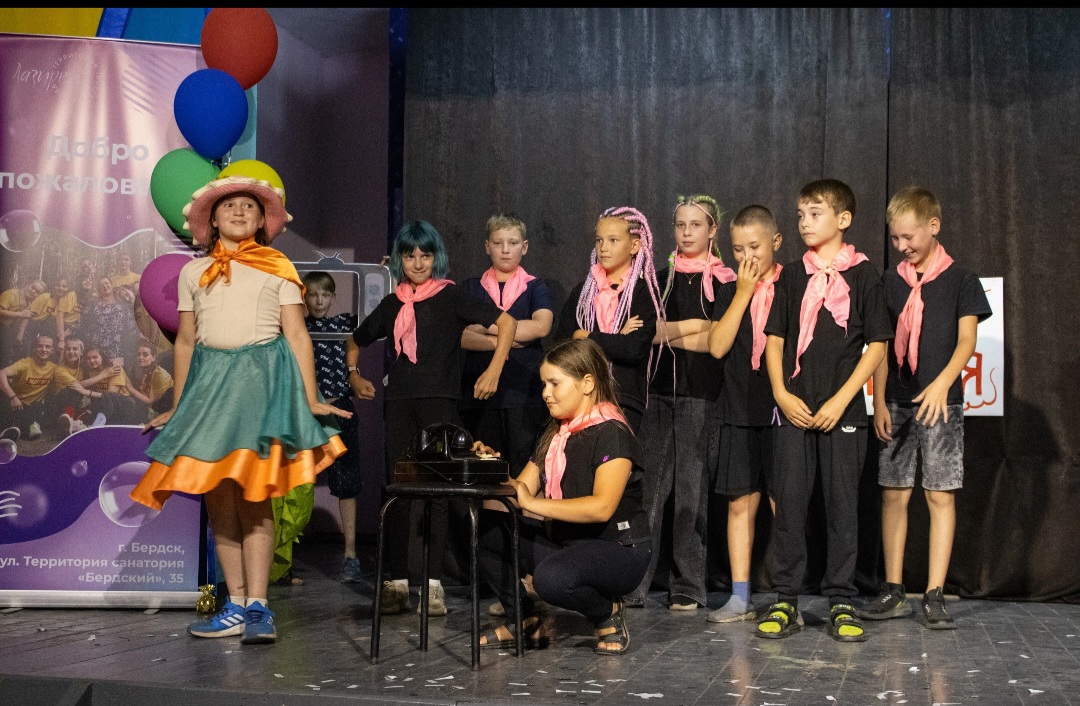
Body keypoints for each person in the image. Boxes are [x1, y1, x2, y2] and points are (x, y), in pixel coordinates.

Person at [130, 175, 350, 646]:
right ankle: (234, 603)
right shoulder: (194, 272)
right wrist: (179, 405)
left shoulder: (277, 266)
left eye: (248, 205)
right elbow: (186, 342)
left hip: (259, 387)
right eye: (228, 205)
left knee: (254, 497)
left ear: (262, 220)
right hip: (211, 389)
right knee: (220, 498)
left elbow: (296, 335)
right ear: (211, 219)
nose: (238, 211)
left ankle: (258, 606)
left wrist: (310, 398)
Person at [353, 219, 517, 617]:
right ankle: (395, 583)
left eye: (425, 255)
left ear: (436, 258)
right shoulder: (392, 303)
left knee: (440, 494)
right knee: (398, 490)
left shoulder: (451, 296)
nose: (418, 262)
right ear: (400, 259)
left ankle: (432, 585)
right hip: (400, 404)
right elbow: (355, 339)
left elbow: (507, 322)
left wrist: (494, 369)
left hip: (440, 404)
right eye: (410, 255)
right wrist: (354, 375)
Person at [758, 178, 892, 642]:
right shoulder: (792, 275)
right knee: (790, 505)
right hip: (795, 409)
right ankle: (785, 599)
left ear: (843, 219)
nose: (805, 222)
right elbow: (775, 339)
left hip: (844, 412)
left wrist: (842, 399)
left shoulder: (864, 275)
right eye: (800, 215)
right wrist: (780, 392)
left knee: (842, 509)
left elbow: (877, 345)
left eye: (815, 214)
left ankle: (841, 599)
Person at [859, 186, 992, 629]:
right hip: (897, 401)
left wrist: (941, 385)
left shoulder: (961, 279)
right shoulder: (890, 281)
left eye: (909, 236)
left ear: (933, 227)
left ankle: (934, 594)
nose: (902, 245)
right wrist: (879, 400)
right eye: (895, 238)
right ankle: (893, 589)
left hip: (941, 403)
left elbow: (967, 341)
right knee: (893, 493)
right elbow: (880, 346)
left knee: (939, 494)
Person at [477, 338, 651, 655]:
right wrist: (488, 467)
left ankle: (607, 612)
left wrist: (532, 503)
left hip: (619, 549)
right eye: (544, 384)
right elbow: (519, 492)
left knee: (551, 579)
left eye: (554, 383)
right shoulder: (556, 435)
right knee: (489, 530)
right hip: (570, 543)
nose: (545, 393)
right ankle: (526, 622)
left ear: (587, 383)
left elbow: (601, 507)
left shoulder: (612, 432)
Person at [625, 194, 734, 611]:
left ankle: (688, 584)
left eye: (696, 225)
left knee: (692, 493)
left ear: (712, 230)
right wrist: (695, 328)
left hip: (701, 396)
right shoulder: (657, 280)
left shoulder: (725, 282)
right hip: (657, 393)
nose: (686, 233)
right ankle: (633, 581)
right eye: (680, 225)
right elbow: (647, 333)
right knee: (649, 491)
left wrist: (675, 330)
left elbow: (718, 341)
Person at [459, 214, 555, 618]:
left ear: (524, 247)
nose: (505, 250)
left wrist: (491, 333)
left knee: (524, 487)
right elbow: (462, 335)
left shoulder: (536, 287)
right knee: (488, 487)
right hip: (480, 400)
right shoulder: (470, 288)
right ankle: (498, 579)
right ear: (487, 246)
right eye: (498, 242)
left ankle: (529, 577)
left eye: (513, 243)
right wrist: (514, 334)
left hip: (524, 398)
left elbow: (542, 327)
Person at [706, 205, 784, 623]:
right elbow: (717, 346)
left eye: (755, 247)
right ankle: (739, 596)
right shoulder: (728, 290)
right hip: (739, 409)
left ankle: (787, 595)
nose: (747, 257)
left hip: (782, 412)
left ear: (776, 242)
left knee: (783, 504)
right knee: (740, 504)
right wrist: (742, 293)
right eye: (738, 249)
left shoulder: (794, 286)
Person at [554, 206, 664, 433]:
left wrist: (586, 336)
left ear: (634, 246)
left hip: (623, 399)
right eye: (599, 240)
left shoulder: (643, 294)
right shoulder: (582, 293)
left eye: (613, 240)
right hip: (581, 398)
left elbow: (633, 349)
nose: (603, 247)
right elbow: (561, 346)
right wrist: (616, 338)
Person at [301, 270, 376, 585]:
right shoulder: (298, 327)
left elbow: (373, 316)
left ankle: (350, 555)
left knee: (347, 481)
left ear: (333, 298)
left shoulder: (344, 323)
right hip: (306, 410)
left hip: (340, 407)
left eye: (325, 295)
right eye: (313, 294)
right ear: (305, 297)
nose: (319, 301)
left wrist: (380, 275)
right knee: (294, 480)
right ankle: (281, 558)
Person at [0, 333, 58, 440]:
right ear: (34, 349)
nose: (43, 349)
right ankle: (18, 429)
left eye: (47, 347)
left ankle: (15, 430)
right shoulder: (25, 363)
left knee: (36, 408)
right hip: (14, 403)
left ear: (52, 350)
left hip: (33, 407)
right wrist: (13, 397)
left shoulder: (54, 368)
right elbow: (1, 373)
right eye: (40, 346)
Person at [0, 279, 46, 366]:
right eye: (33, 287)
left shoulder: (30, 303)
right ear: (27, 285)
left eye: (37, 292)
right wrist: (20, 314)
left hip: (8, 333)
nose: (33, 291)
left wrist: (19, 338)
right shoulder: (11, 294)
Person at [126, 339, 174, 421]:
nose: (140, 357)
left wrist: (130, 388)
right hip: (144, 407)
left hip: (161, 409)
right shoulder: (135, 370)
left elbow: (150, 400)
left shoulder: (159, 374)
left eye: (145, 355)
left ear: (153, 358)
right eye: (138, 354)